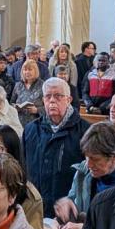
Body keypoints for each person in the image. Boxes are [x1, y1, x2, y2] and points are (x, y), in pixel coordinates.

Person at [52, 122, 115, 229]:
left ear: (114, 157)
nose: (89, 164)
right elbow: (74, 202)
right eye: (87, 157)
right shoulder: (83, 173)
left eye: (95, 159)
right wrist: (66, 205)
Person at [21, 78, 89, 216]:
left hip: (69, 209)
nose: (52, 101)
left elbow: (89, 173)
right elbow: (22, 167)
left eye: (58, 96)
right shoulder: (30, 130)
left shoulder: (85, 131)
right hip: (36, 208)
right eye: (48, 96)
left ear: (69, 100)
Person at [10, 59, 43, 125]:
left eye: (30, 69)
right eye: (25, 70)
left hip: (36, 123)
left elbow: (48, 106)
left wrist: (37, 110)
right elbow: (11, 102)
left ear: (35, 71)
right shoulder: (18, 85)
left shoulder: (42, 85)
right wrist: (15, 108)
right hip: (19, 122)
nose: (27, 72)